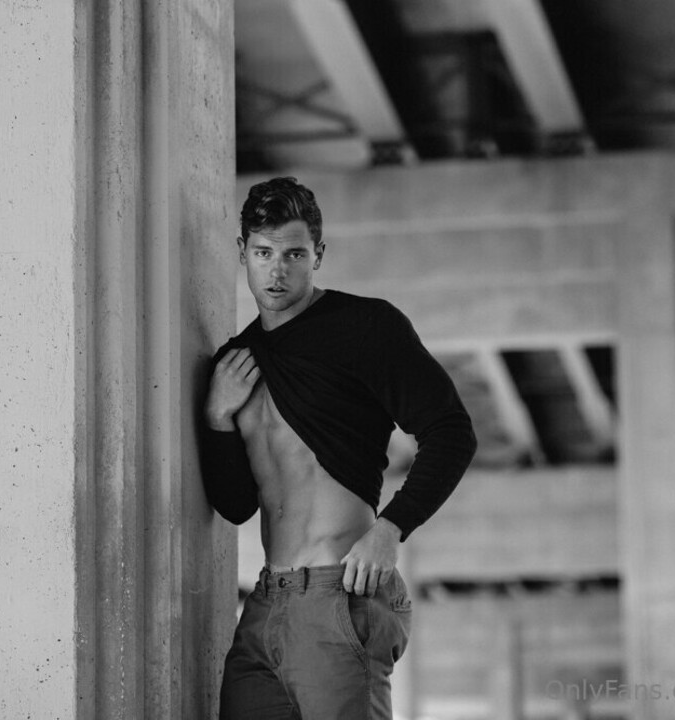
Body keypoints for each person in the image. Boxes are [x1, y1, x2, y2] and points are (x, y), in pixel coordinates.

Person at [201, 176, 477, 719]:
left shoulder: (365, 327)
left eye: (294, 254)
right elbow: (235, 505)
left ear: (318, 255)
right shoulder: (235, 363)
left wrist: (391, 529)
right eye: (263, 253)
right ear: (242, 252)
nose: (277, 271)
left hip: (340, 590)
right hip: (265, 603)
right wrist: (216, 418)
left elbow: (451, 430)